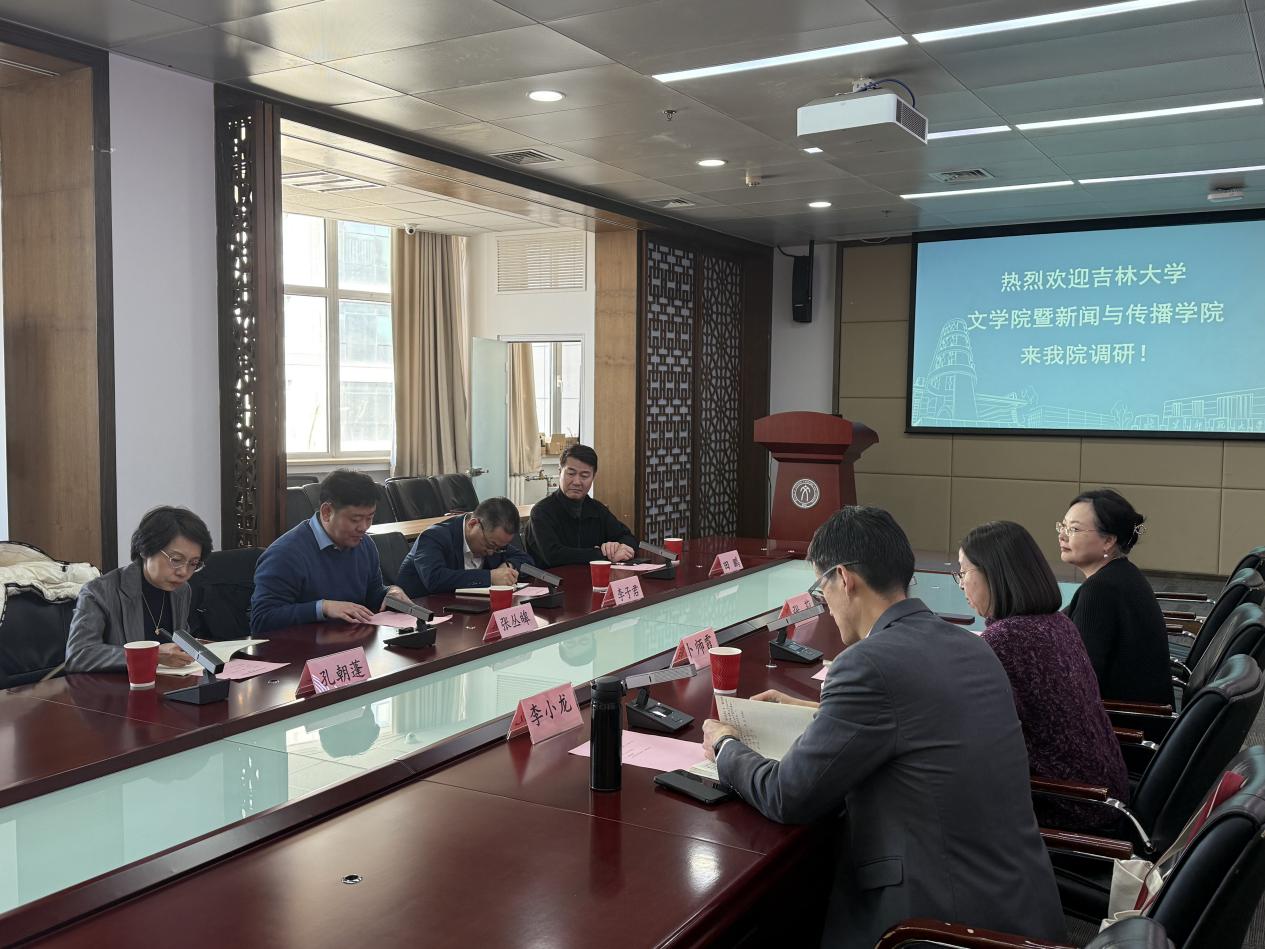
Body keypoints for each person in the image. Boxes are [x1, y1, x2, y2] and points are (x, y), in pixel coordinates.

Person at [702, 506, 1065, 949]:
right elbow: (917, 723)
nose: (825, 605)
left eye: (821, 589)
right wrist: (815, 713)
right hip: (1020, 904)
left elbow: (788, 795)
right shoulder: (970, 646)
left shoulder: (866, 664)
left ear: (844, 578)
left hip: (937, 927)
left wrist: (725, 745)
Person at [959, 520, 1128, 830]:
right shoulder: (1057, 623)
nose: (961, 584)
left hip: (1068, 808)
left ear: (993, 574)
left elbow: (971, 737)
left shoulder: (1004, 641)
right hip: (1104, 792)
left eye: (963, 572)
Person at [250, 469, 407, 634]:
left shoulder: (365, 544)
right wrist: (323, 607)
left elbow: (372, 594)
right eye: (355, 519)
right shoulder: (285, 554)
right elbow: (261, 620)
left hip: (352, 641)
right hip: (304, 646)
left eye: (370, 518)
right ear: (327, 512)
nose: (364, 527)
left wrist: (390, 592)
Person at [65, 506, 214, 672]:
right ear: (145, 550)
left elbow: (178, 643)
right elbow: (78, 655)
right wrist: (151, 654)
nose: (184, 572)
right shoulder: (99, 592)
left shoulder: (182, 590)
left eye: (193, 563)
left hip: (169, 683)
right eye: (176, 559)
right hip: (117, 686)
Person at [1059, 488, 1171, 704]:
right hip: (1140, 712)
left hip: (1124, 718)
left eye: (1073, 529)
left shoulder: (1100, 590)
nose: (1062, 535)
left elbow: (1081, 682)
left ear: (1108, 541)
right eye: (1062, 526)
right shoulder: (1122, 573)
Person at [523, 444, 638, 567]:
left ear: (593, 477)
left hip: (593, 577)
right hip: (551, 578)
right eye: (571, 473)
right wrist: (602, 554)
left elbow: (628, 538)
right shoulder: (541, 512)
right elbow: (554, 555)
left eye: (584, 476)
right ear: (560, 472)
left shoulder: (597, 509)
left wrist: (618, 547)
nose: (577, 482)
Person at [396, 497, 532, 597]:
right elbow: (435, 579)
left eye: (499, 549)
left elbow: (527, 561)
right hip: (421, 613)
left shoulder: (495, 541)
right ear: (473, 524)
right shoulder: (434, 537)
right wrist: (490, 577)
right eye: (491, 545)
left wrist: (508, 566)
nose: (492, 552)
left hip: (468, 608)